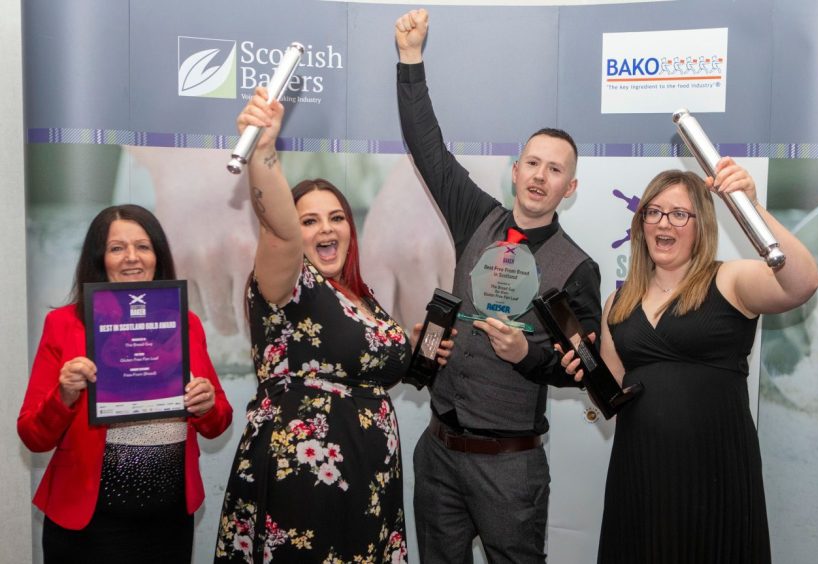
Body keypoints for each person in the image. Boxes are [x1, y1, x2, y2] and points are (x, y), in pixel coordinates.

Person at [395, 9, 602, 563]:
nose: (539, 175)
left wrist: (528, 354)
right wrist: (411, 62)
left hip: (510, 466)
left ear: (570, 187)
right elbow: (430, 152)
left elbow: (585, 369)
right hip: (437, 452)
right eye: (532, 162)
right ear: (515, 170)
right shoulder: (475, 218)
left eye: (554, 170)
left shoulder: (577, 268)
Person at [214, 86, 452, 564]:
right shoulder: (286, 282)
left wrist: (415, 352)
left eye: (337, 217)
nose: (326, 229)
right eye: (310, 221)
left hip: (370, 481)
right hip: (305, 480)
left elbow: (359, 361)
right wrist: (265, 154)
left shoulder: (361, 298)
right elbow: (278, 231)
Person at [562, 165, 818, 563]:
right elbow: (610, 399)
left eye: (679, 214)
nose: (664, 223)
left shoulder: (730, 281)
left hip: (716, 471)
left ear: (702, 225)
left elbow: (802, 282)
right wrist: (583, 368)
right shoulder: (618, 303)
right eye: (654, 212)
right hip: (641, 473)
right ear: (641, 222)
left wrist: (751, 206)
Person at [17, 204, 233, 563]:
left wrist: (207, 404)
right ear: (99, 258)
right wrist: (65, 394)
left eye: (143, 246)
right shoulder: (63, 324)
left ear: (157, 256)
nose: (131, 258)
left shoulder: (186, 323)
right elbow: (32, 435)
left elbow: (218, 421)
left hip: (168, 524)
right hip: (88, 525)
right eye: (117, 248)